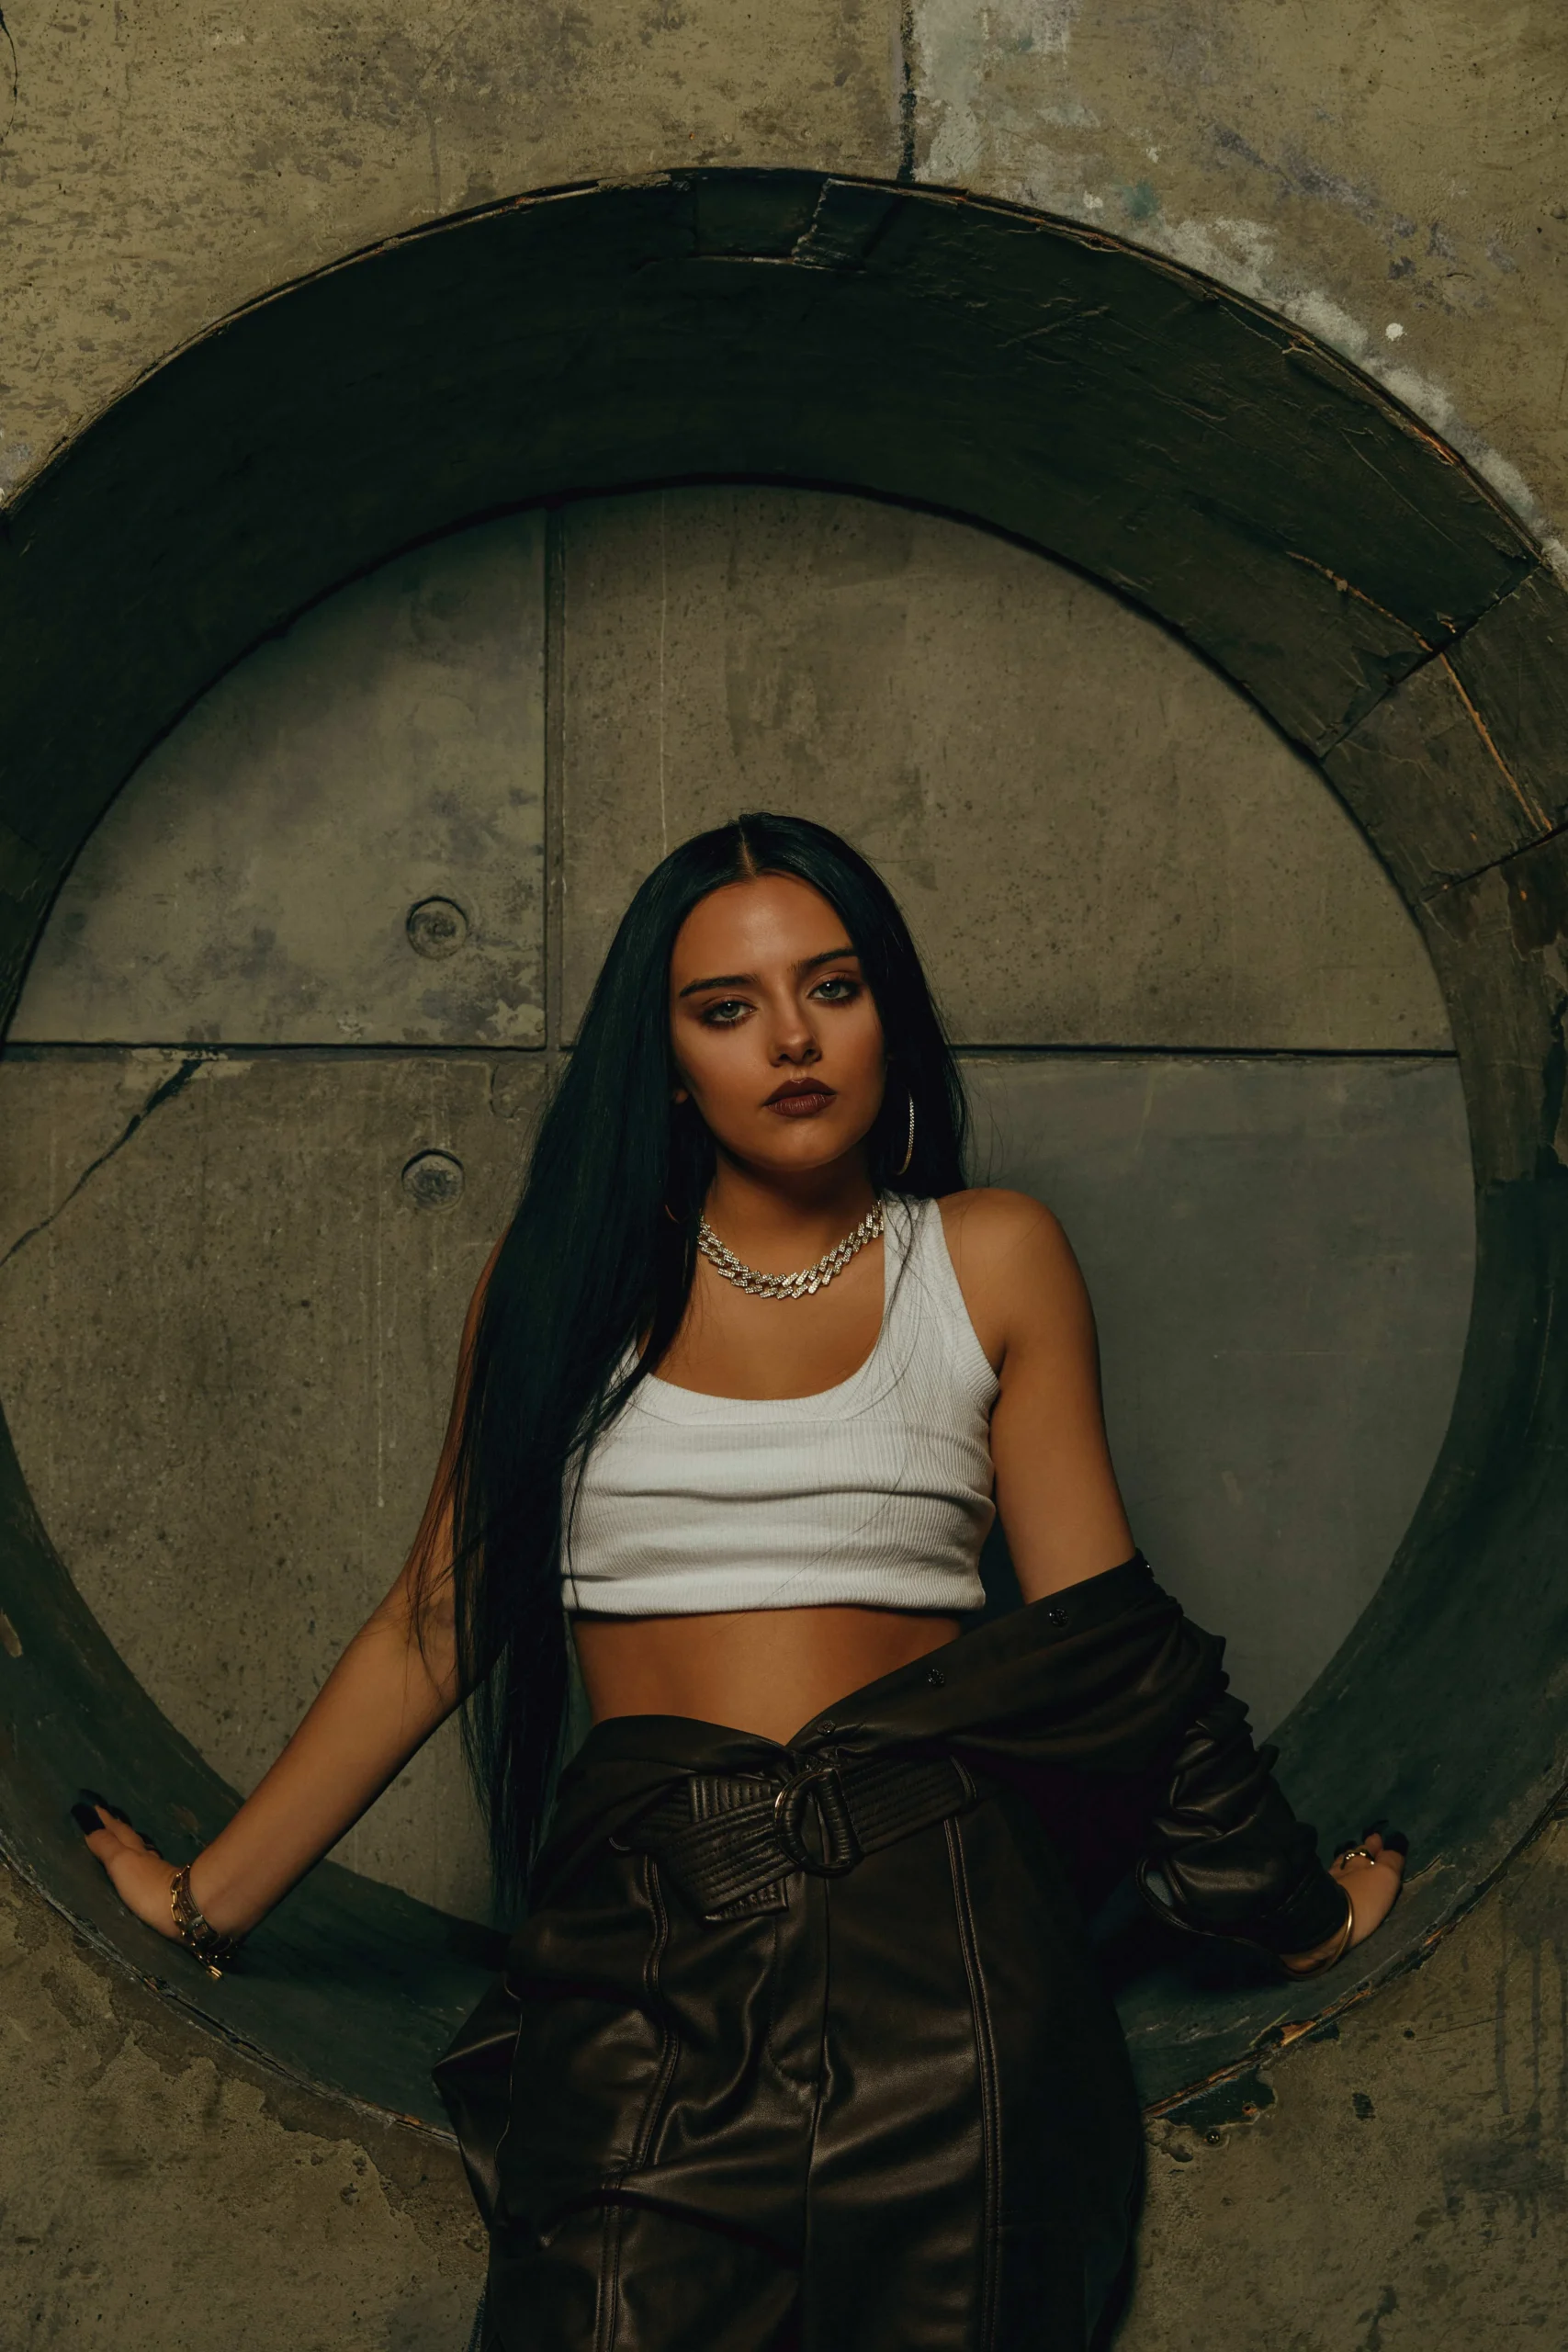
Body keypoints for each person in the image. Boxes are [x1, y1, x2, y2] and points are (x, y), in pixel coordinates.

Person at [77, 810, 1405, 2351]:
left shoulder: (988, 1257)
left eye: (829, 989)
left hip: (945, 1944)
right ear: (669, 1056)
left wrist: (1284, 1908)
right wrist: (205, 1900)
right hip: (646, 1941)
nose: (790, 1039)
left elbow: (1102, 1647)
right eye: (727, 1009)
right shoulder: (562, 1277)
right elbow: (439, 1618)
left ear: (885, 1011)